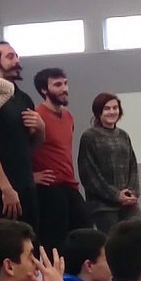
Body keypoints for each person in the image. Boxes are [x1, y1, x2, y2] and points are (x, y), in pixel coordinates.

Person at [0, 41, 44, 228]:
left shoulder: (23, 98)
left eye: (16, 56)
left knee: (32, 243)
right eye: (10, 56)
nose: (16, 61)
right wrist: (6, 188)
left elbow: (32, 146)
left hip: (26, 185)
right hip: (4, 189)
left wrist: (41, 128)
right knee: (10, 246)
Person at [32, 67, 92, 251]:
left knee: (86, 234)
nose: (64, 88)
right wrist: (30, 176)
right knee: (54, 243)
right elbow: (18, 149)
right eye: (57, 85)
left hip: (69, 185)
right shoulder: (36, 116)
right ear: (44, 90)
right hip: (49, 189)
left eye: (65, 83)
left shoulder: (68, 116)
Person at [78, 92, 141, 233]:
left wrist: (132, 192)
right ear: (98, 112)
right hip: (103, 206)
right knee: (114, 241)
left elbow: (133, 166)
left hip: (128, 204)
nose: (112, 112)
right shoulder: (89, 137)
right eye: (107, 108)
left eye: (115, 108)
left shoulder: (123, 135)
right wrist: (115, 195)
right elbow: (89, 175)